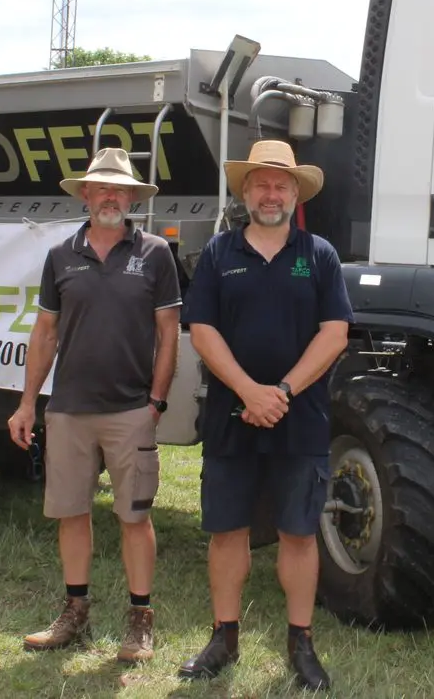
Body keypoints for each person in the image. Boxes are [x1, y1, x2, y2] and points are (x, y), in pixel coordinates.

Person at [176, 139, 354, 692]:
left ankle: (301, 644)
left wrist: (279, 391)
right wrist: (249, 391)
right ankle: (223, 638)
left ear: (294, 192)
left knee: (299, 534)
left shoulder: (320, 255)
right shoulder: (218, 254)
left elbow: (336, 334)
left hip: (300, 420)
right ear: (245, 191)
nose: (270, 192)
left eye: (280, 184)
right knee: (227, 531)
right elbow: (201, 330)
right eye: (260, 183)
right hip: (233, 416)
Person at [8, 146, 182, 665]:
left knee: (134, 517)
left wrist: (155, 401)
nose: (111, 196)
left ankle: (140, 620)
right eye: (102, 187)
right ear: (86, 194)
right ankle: (75, 614)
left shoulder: (155, 254)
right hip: (68, 410)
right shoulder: (61, 256)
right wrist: (25, 404)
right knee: (72, 514)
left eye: (120, 189)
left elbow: (168, 335)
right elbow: (45, 332)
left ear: (132, 198)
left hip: (132, 410)